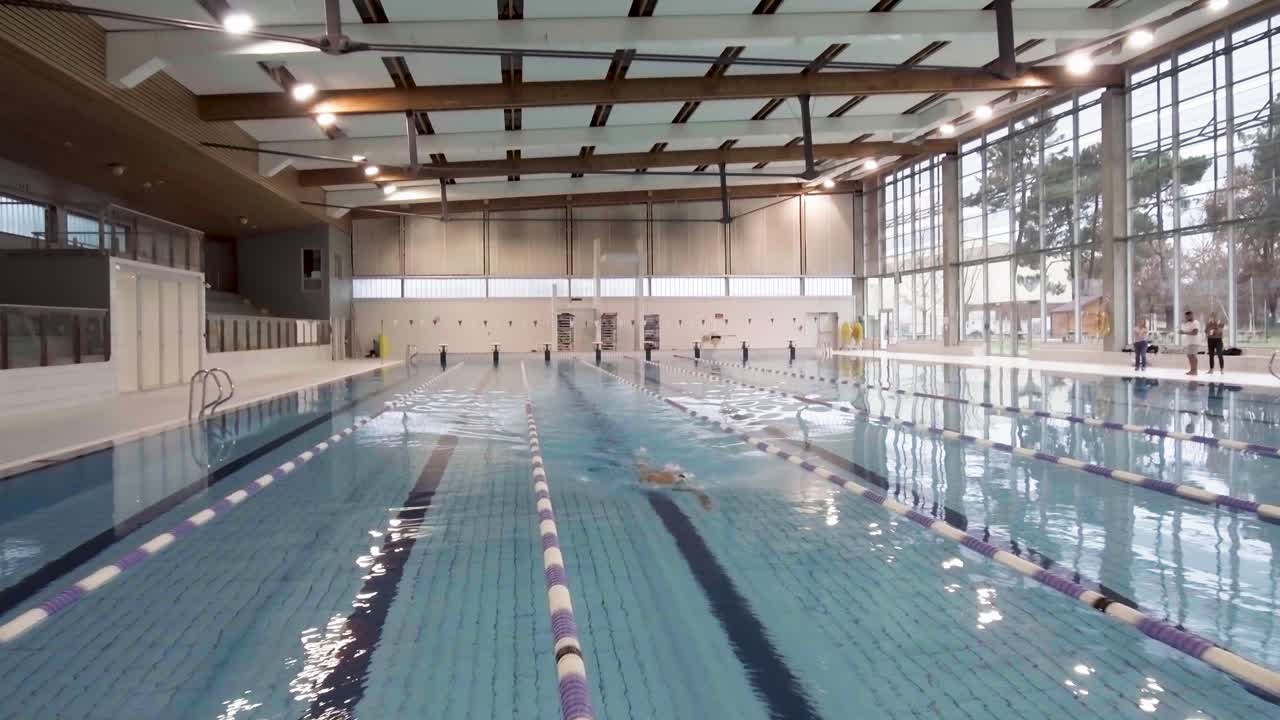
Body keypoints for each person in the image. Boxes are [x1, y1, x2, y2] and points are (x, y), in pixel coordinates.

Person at [633, 449, 711, 510]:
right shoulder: (654, 477)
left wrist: (704, 500)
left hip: (674, 477)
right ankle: (642, 458)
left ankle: (642, 458)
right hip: (671, 476)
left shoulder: (675, 479)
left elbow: (694, 488)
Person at [1178, 310, 1202, 376]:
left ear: (1191, 315)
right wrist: (1182, 332)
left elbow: (1195, 332)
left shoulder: (1195, 322)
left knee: (1193, 355)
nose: (1186, 318)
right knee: (1189, 355)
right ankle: (1192, 370)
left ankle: (1195, 371)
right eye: (1185, 317)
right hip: (1189, 342)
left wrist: (1183, 332)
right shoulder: (1187, 323)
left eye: (1187, 316)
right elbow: (1187, 331)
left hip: (1194, 342)